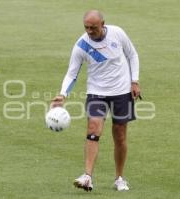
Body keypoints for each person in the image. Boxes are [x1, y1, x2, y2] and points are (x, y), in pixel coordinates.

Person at [50, 10, 141, 192]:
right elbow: (72, 73)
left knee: (120, 135)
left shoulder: (117, 33)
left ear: (103, 24)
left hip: (122, 91)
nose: (89, 31)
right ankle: (87, 177)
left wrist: (135, 81)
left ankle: (119, 178)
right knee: (93, 129)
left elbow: (132, 55)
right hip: (96, 92)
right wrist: (62, 94)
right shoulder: (81, 45)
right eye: (86, 27)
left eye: (93, 27)